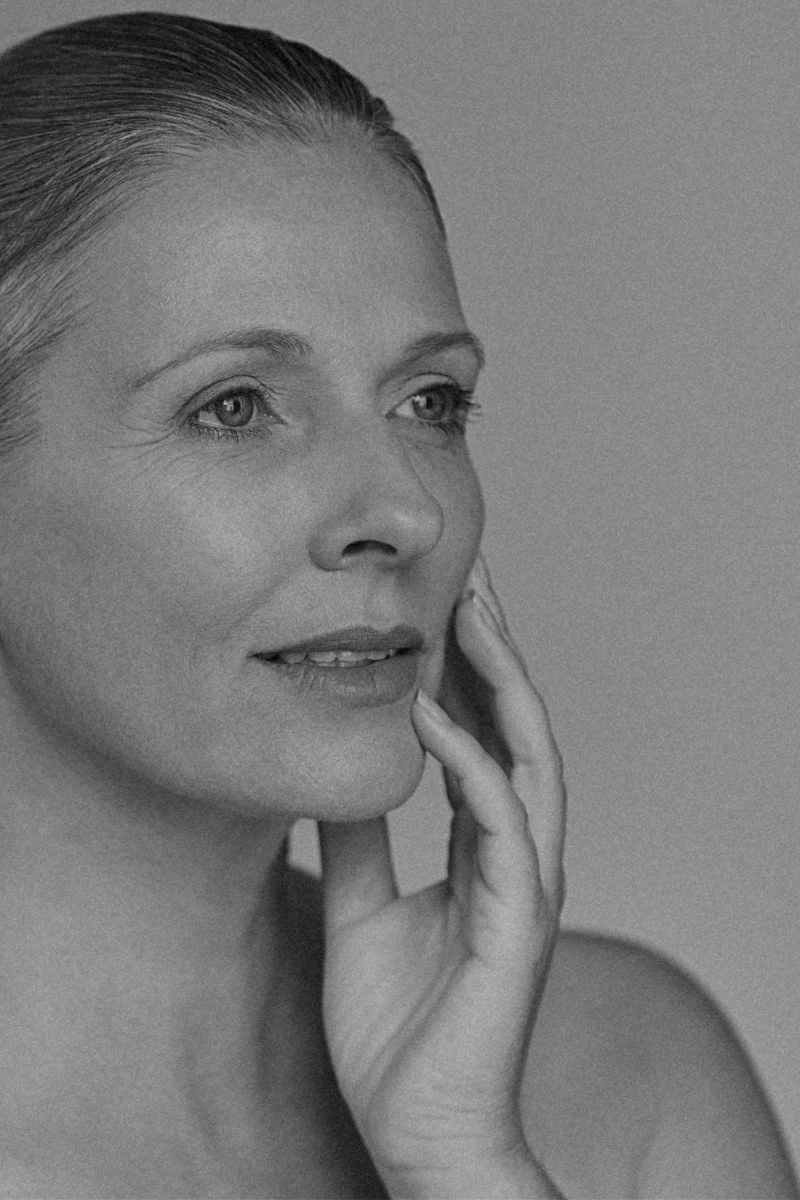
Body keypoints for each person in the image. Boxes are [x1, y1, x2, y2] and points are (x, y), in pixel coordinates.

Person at [0, 11, 795, 1198]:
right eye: (233, 407)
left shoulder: (623, 1076)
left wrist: (463, 1165)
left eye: (429, 401)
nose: (405, 512)